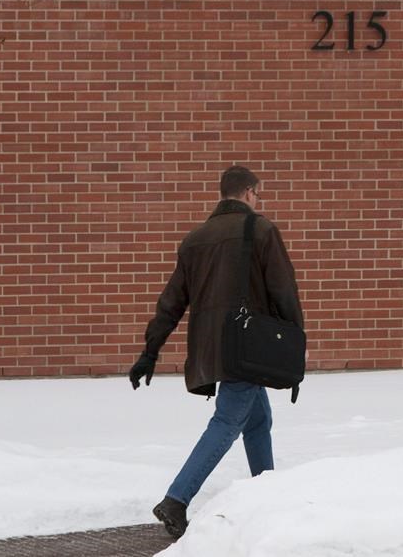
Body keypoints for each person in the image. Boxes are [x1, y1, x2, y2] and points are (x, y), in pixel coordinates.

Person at [128, 165, 305, 538]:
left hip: (210, 348)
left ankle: (267, 493)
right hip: (246, 346)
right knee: (228, 421)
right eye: (258, 194)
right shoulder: (260, 229)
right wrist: (294, 346)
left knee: (258, 421)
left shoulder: (196, 238)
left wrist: (151, 350)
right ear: (248, 192)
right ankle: (176, 499)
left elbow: (171, 302)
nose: (259, 200)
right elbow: (284, 291)